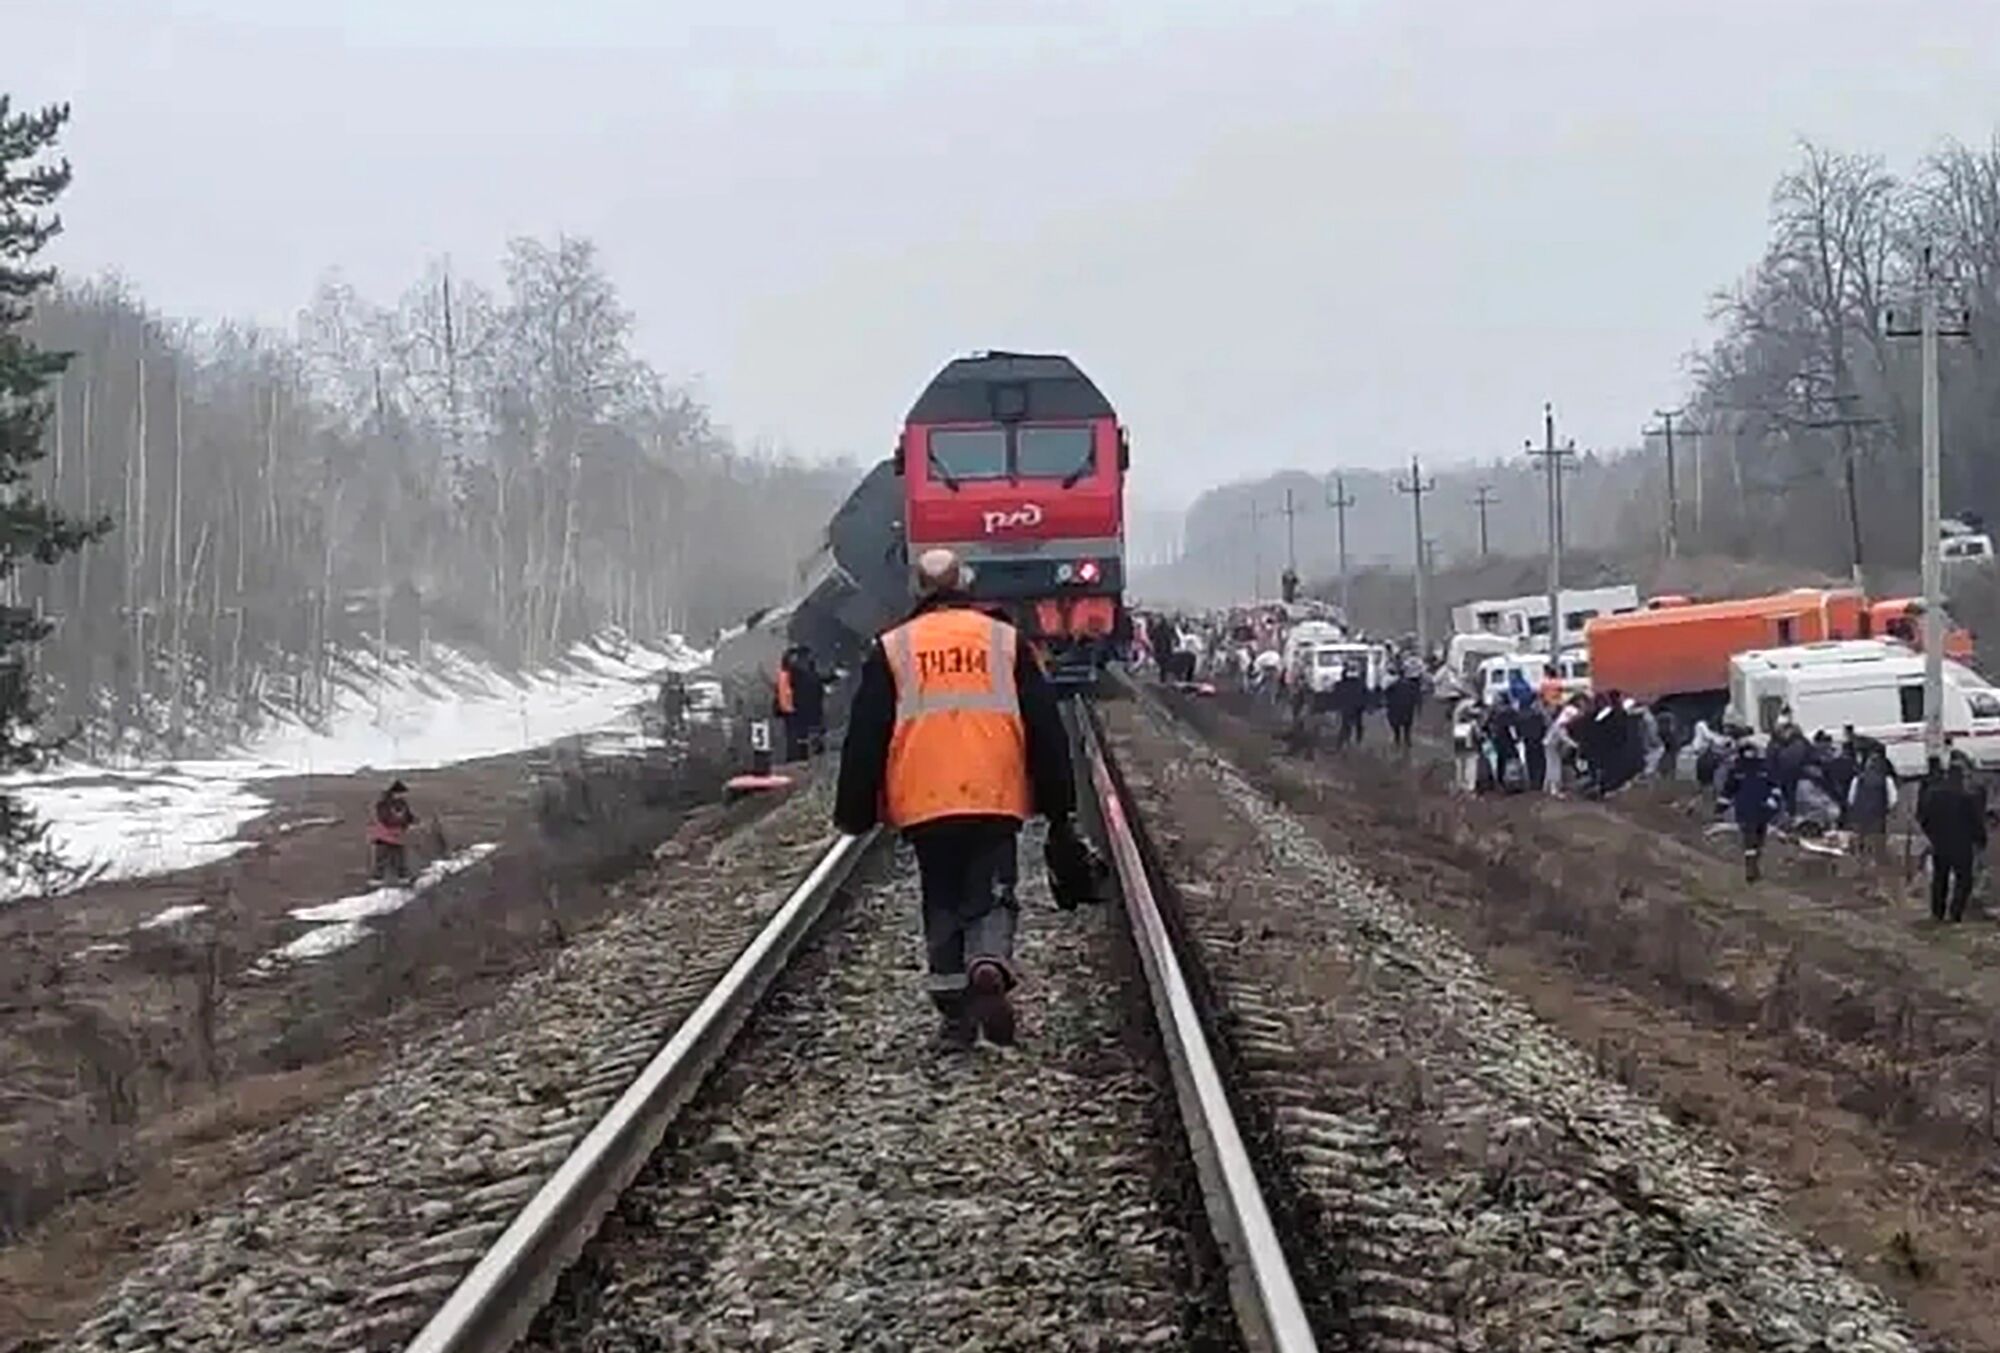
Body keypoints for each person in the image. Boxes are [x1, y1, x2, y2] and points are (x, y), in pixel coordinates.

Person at [835, 548, 1077, 1050]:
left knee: (940, 897)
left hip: (924, 800)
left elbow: (865, 734)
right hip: (994, 792)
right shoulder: (1005, 642)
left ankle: (954, 1014)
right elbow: (1046, 727)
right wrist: (1059, 806)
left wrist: (855, 810)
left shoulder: (893, 647)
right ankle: (988, 961)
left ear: (918, 590)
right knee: (991, 890)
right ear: (966, 586)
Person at [1918, 761, 1987, 922]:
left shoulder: (1934, 795)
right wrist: (1980, 840)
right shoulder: (1966, 798)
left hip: (1940, 844)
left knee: (1939, 879)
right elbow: (1975, 822)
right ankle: (1955, 913)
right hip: (1962, 846)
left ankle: (1937, 913)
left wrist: (1932, 836)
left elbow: (1924, 819)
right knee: (1964, 880)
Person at [1724, 746, 1780, 882]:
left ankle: (1755, 866)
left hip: (1762, 810)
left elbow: (1774, 786)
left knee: (1759, 840)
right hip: (1745, 810)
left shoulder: (1764, 769)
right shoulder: (1737, 770)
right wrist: (1720, 808)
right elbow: (1728, 790)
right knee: (1750, 839)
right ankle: (1751, 870)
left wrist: (1774, 800)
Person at [1846, 749, 1898, 860]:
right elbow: (1893, 800)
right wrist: (1888, 810)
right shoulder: (1886, 780)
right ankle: (1875, 864)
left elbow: (1851, 799)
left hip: (1859, 816)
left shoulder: (1858, 779)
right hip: (1878, 815)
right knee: (1877, 843)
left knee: (1860, 843)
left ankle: (1861, 863)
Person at [369, 780, 417, 882]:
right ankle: (377, 879)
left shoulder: (403, 804)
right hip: (383, 835)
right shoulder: (383, 804)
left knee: (400, 857)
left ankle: (403, 877)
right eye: (400, 793)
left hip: (397, 835)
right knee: (382, 858)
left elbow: (408, 816)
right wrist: (401, 823)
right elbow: (384, 819)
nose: (402, 796)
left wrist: (413, 821)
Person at [1383, 670, 1421, 750]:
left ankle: (1398, 740)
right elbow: (1416, 698)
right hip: (1407, 709)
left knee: (1396, 727)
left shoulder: (1393, 685)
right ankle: (1407, 741)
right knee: (1407, 726)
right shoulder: (1411, 686)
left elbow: (1386, 695)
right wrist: (1417, 708)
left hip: (1396, 709)